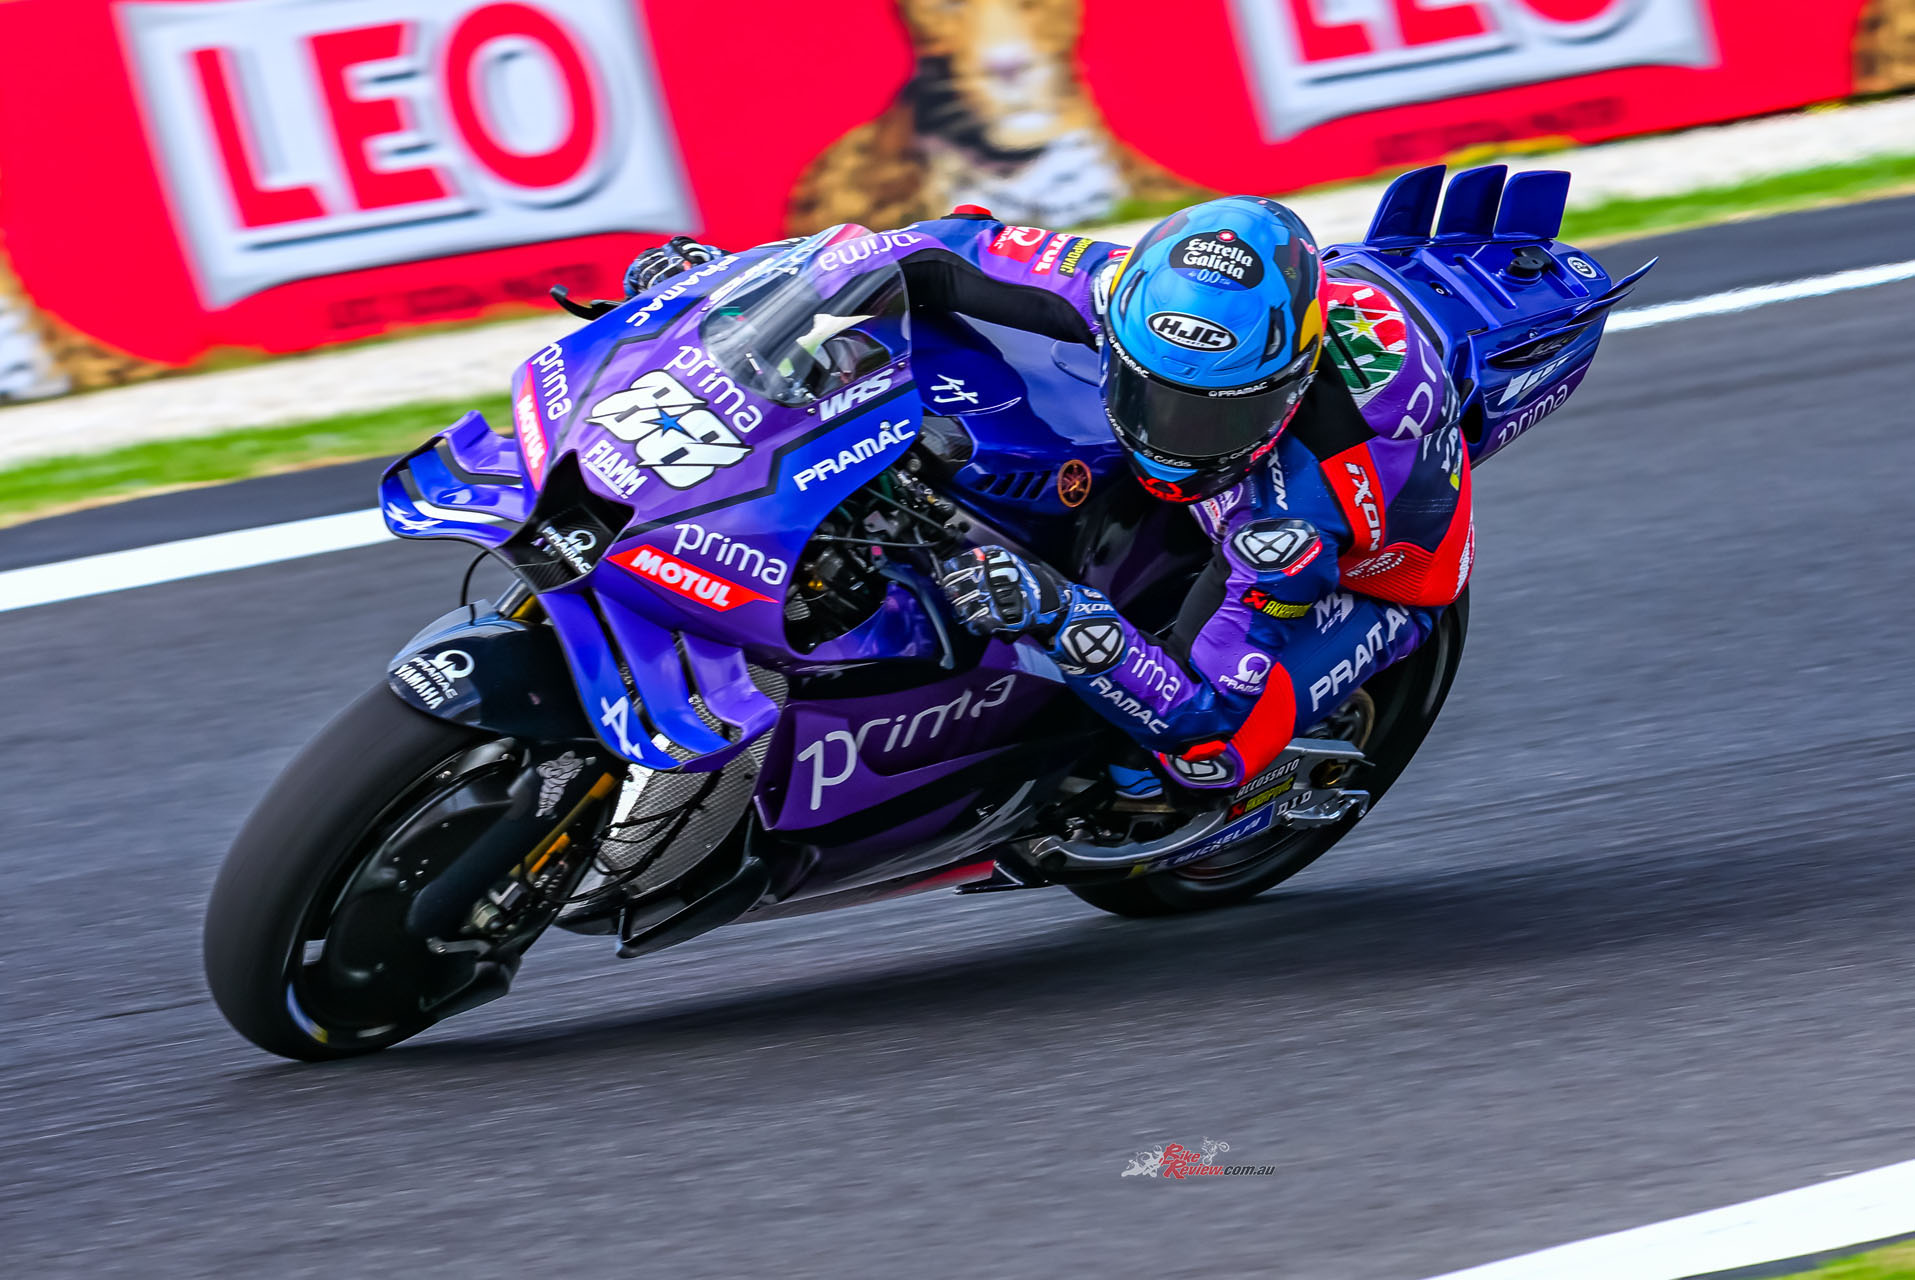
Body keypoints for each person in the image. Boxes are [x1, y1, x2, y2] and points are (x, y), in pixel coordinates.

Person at [622, 196, 1470, 796]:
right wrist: (738, 286)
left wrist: (1058, 613)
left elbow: (1202, 714)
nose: (1170, 433)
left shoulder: (1294, 519)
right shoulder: (1109, 283)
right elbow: (913, 250)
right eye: (1149, 393)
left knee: (1189, 764)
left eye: (1212, 414)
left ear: (1286, 387)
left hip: (1378, 572)